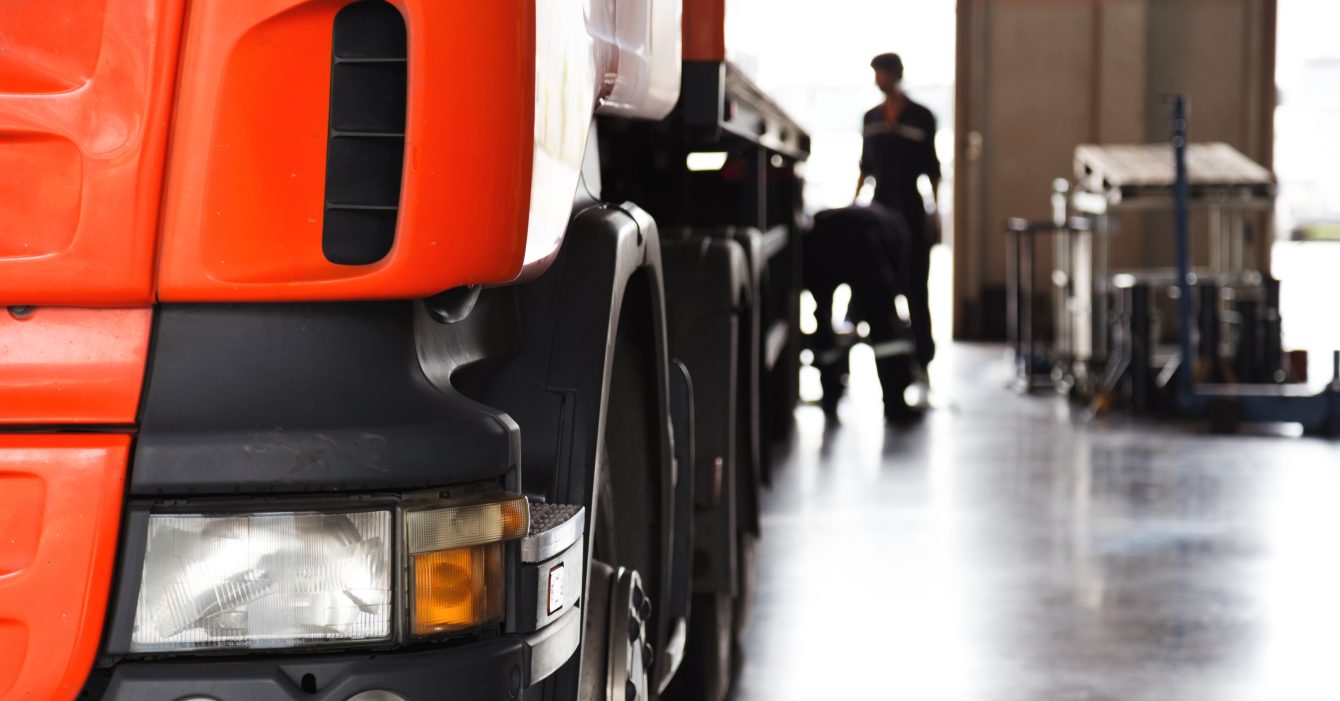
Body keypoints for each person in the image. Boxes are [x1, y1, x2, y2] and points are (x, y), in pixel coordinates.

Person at [856, 52, 941, 371]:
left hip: (910, 211)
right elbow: (865, 168)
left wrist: (933, 214)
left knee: (917, 285)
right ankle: (888, 354)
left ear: (894, 74)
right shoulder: (871, 118)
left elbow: (932, 170)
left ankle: (923, 356)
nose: (878, 79)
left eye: (882, 73)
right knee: (879, 285)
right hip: (879, 212)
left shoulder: (922, 116)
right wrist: (855, 206)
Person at [805, 204, 921, 423]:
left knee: (822, 318)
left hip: (822, 242)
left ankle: (830, 395)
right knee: (884, 326)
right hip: (865, 245)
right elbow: (897, 288)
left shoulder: (882, 220)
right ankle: (895, 403)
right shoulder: (899, 235)